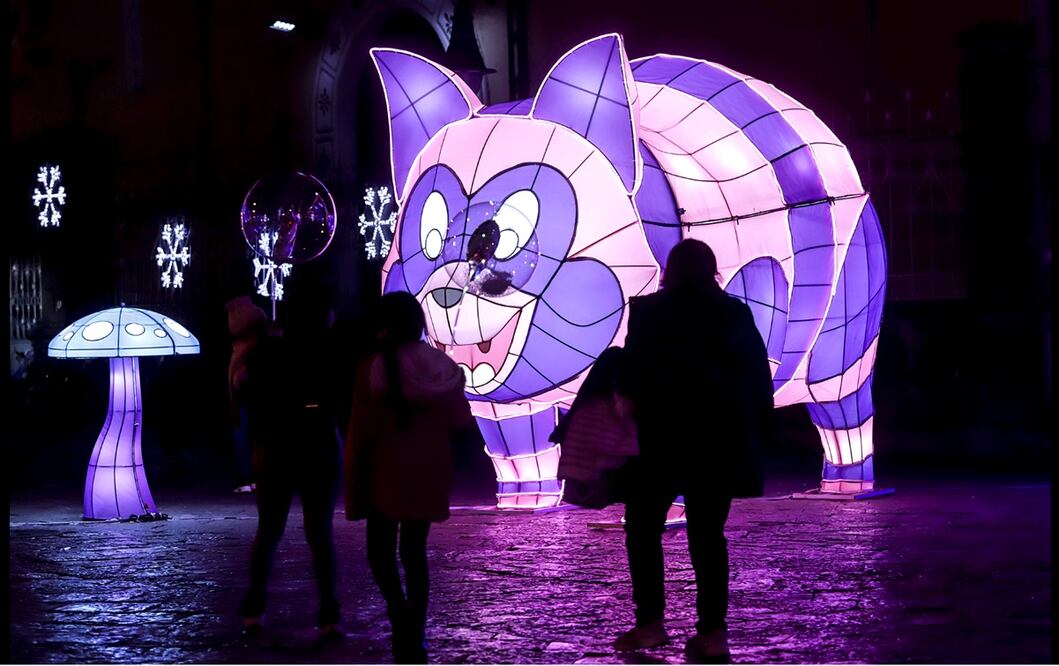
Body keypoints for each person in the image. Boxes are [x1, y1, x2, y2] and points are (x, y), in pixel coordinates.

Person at [615, 239, 773, 662]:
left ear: (670, 270)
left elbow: (633, 374)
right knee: (708, 536)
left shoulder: (648, 312)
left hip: (658, 439)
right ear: (712, 270)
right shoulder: (733, 312)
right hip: (716, 441)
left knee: (643, 530)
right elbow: (757, 377)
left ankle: (650, 622)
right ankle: (712, 633)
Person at [345, 291, 474, 664]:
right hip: (428, 469)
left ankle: (398, 613)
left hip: (383, 469)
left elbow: (361, 430)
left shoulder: (372, 368)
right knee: (415, 553)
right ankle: (413, 630)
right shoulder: (441, 368)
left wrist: (355, 480)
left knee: (379, 551)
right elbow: (460, 420)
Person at [237, 291, 343, 642]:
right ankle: (330, 615)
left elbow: (248, 400)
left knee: (269, 530)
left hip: (275, 447)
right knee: (320, 533)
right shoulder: (330, 352)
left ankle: (254, 609)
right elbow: (339, 401)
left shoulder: (265, 352)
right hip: (318, 446)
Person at [226, 295, 267, 494]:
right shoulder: (242, 352)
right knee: (242, 435)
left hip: (252, 403)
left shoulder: (253, 351)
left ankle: (253, 475)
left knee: (249, 435)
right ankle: (248, 475)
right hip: (244, 403)